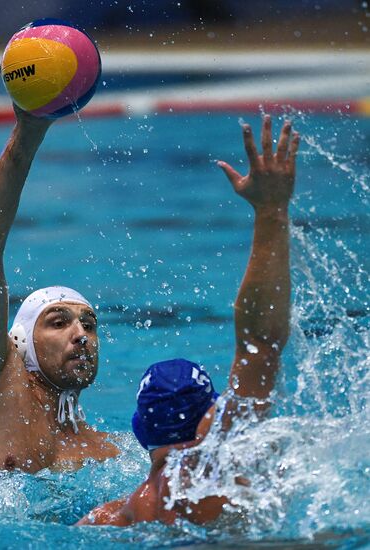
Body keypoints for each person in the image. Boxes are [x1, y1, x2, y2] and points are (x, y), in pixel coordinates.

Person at [77, 115, 300, 526]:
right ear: (212, 416)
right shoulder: (213, 464)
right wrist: (271, 210)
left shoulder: (115, 516)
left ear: (141, 432)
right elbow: (261, 341)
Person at [0, 108, 118, 476]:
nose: (81, 335)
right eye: (58, 322)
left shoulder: (106, 452)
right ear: (21, 343)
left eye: (89, 324)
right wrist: (29, 132)